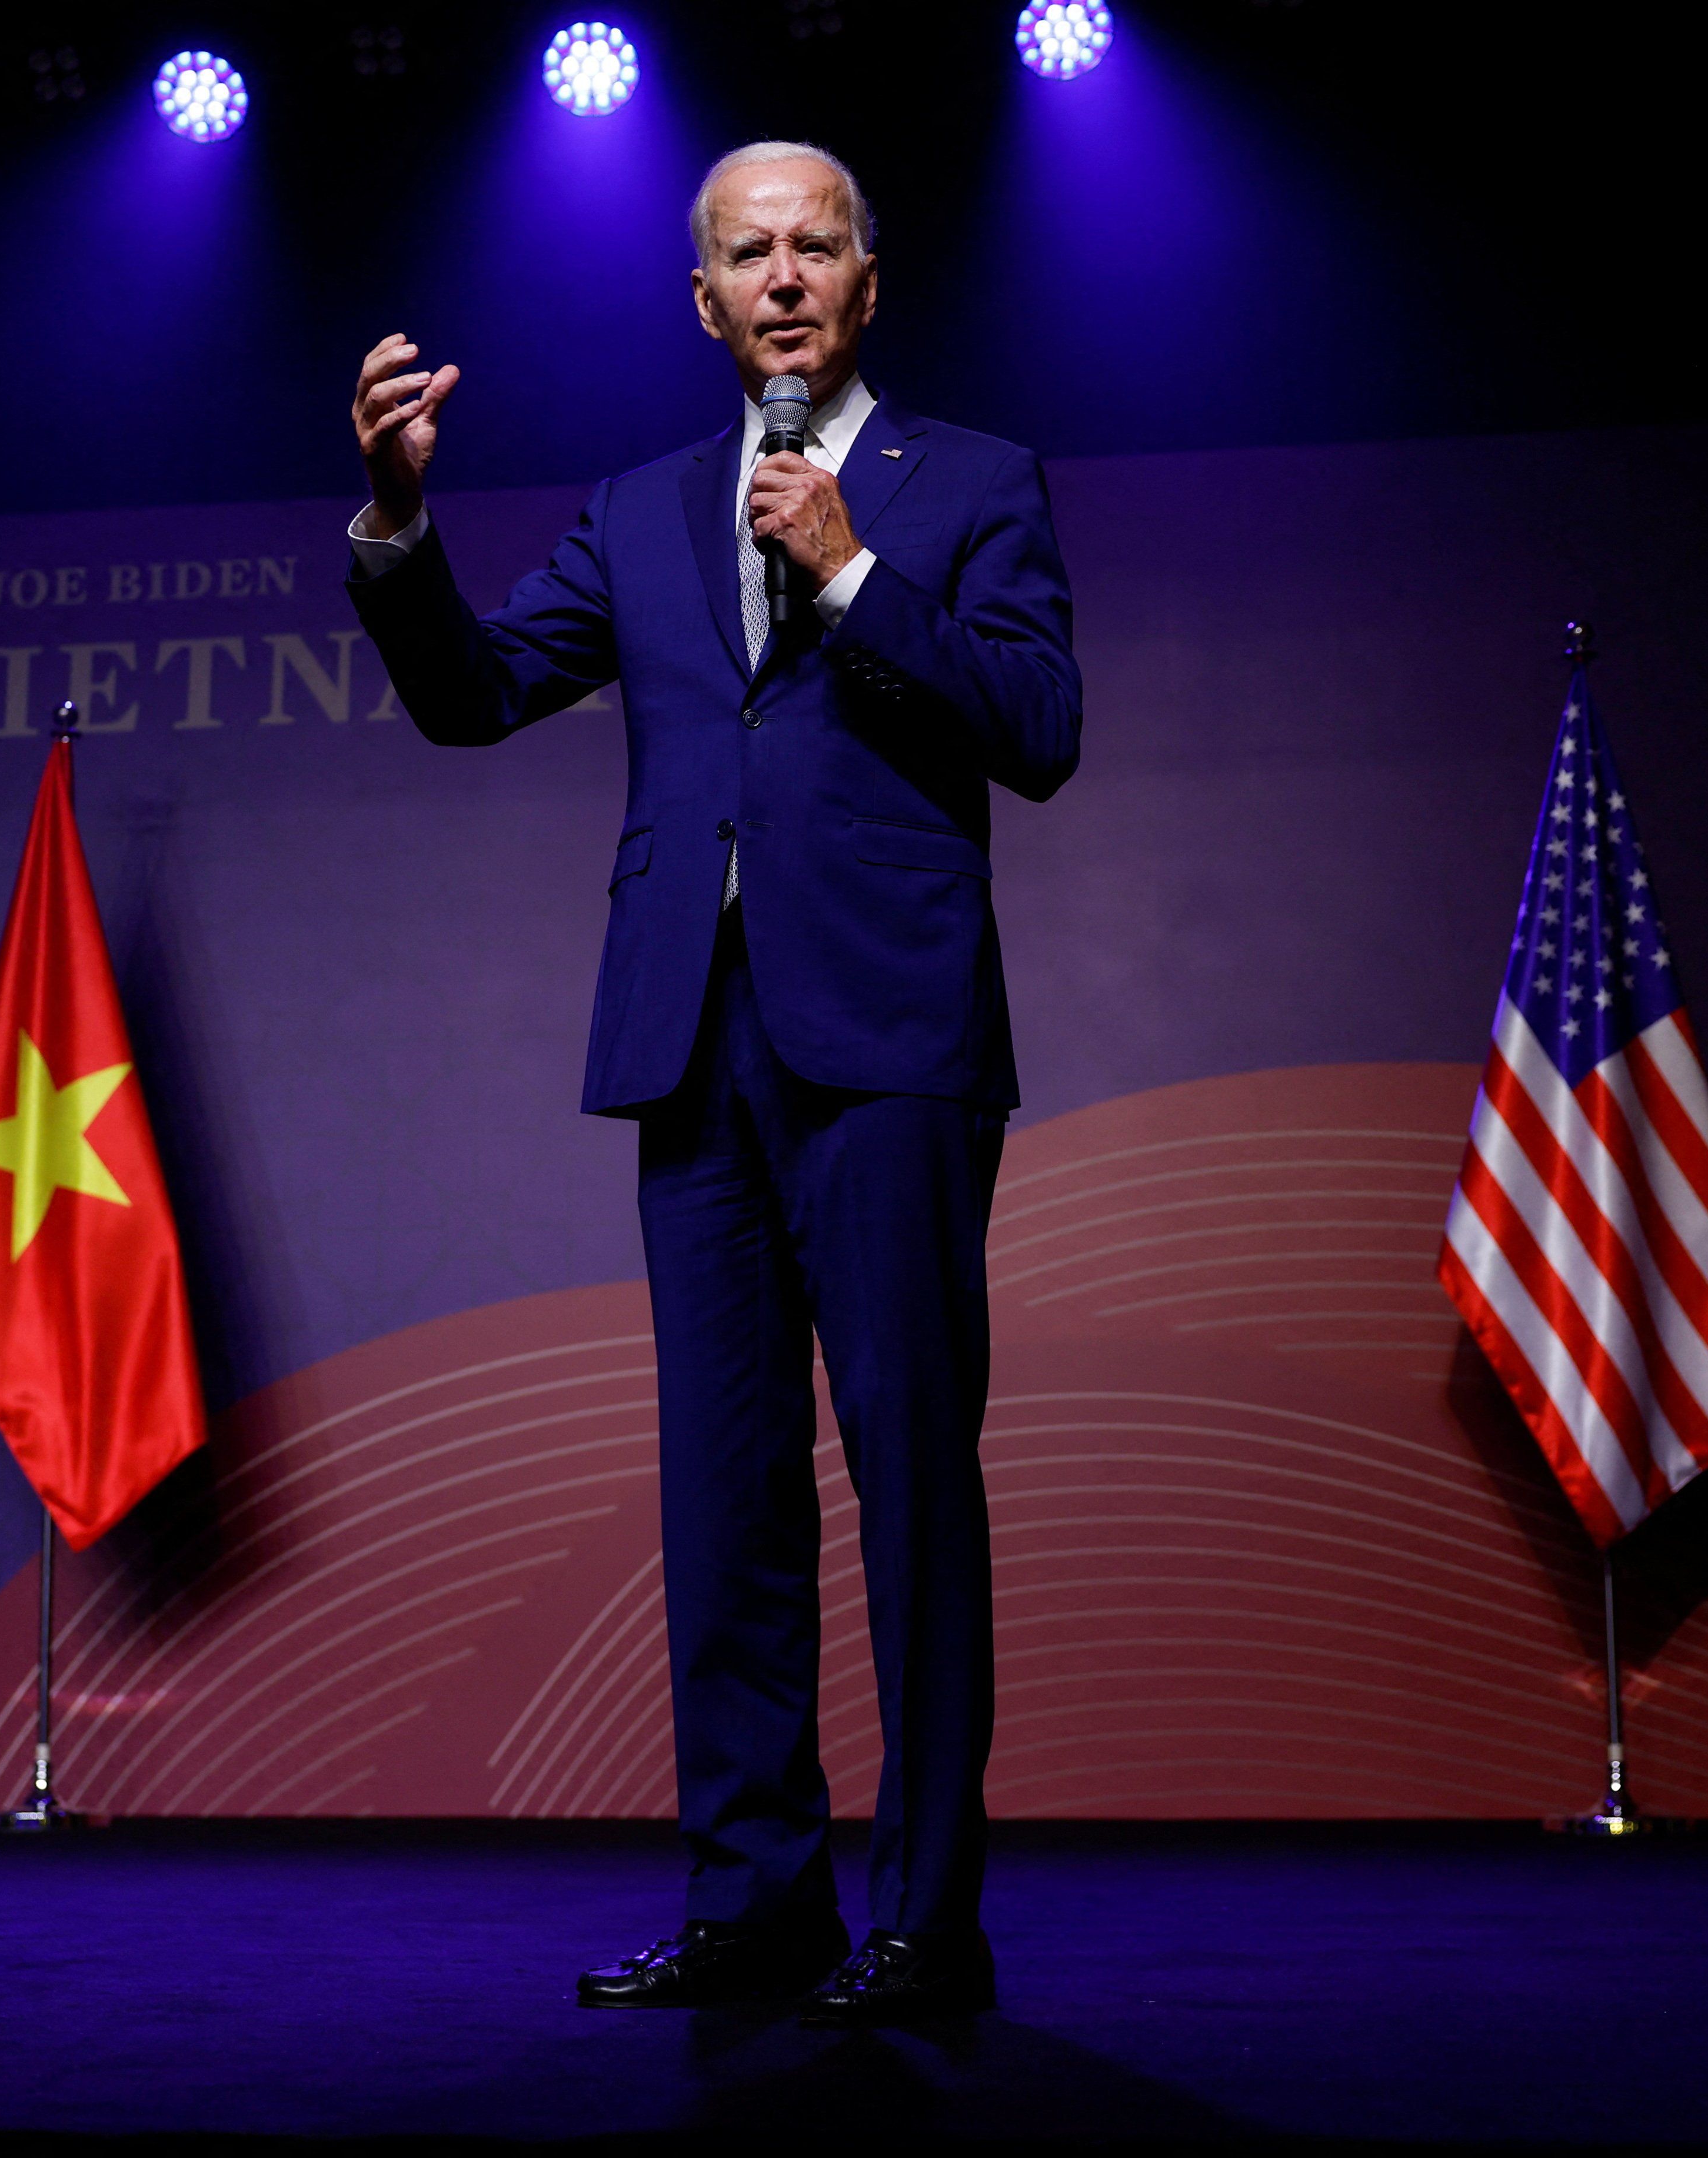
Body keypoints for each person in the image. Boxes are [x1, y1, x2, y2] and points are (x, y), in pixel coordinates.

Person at [343, 141, 1080, 2021]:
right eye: (743, 253)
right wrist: (397, 533)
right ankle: (757, 1900)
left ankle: (927, 1920)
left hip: (895, 1044)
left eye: (812, 245)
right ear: (699, 299)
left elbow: (1039, 729)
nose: (777, 278)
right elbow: (476, 694)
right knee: (724, 1492)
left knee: (909, 1474)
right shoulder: (643, 505)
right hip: (692, 1041)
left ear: (864, 278)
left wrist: (848, 573)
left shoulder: (968, 483)